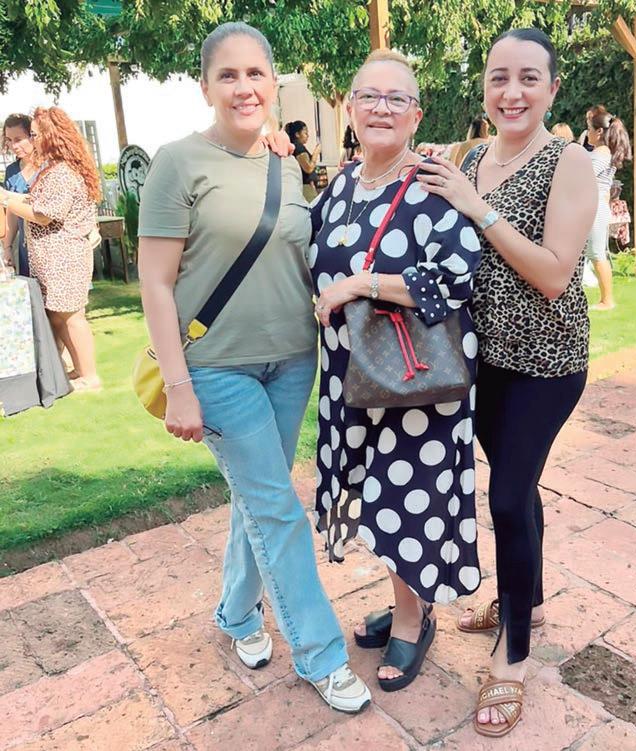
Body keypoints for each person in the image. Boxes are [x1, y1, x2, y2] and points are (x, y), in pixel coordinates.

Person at [137, 22, 370, 714]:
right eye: (228, 75)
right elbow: (155, 283)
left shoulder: (284, 163)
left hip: (294, 359)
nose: (244, 87)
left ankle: (238, 613)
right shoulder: (178, 162)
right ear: (205, 86)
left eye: (256, 74)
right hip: (216, 367)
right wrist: (178, 386)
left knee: (256, 498)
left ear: (274, 82)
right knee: (277, 507)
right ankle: (322, 654)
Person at [416, 28, 596, 736]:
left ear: (552, 89)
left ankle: (513, 655)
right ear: (484, 86)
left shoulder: (568, 161)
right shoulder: (470, 158)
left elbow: (554, 274)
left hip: (547, 363)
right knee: (520, 486)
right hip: (479, 359)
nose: (511, 92)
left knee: (507, 495)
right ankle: (530, 599)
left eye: (528, 78)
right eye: (498, 77)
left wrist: (477, 206)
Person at [310, 49, 482, 693]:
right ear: (350, 109)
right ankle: (409, 602)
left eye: (396, 98)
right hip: (350, 376)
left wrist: (362, 283)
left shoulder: (432, 186)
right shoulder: (339, 187)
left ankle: (413, 621)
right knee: (378, 495)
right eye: (369, 96)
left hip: (416, 381)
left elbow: (457, 280)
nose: (381, 108)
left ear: (416, 115)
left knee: (402, 499)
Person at [0, 106, 101, 391]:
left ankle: (90, 376)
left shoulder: (62, 173)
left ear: (51, 135)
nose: (32, 140)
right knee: (58, 316)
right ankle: (77, 370)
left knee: (72, 317)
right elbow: (35, 204)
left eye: (34, 135)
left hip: (65, 258)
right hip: (52, 261)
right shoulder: (53, 170)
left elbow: (43, 214)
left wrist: (6, 199)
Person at [585, 107, 632, 310]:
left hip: (594, 210)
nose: (587, 133)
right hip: (596, 208)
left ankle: (607, 300)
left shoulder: (602, 153)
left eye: (589, 129)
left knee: (597, 255)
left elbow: (583, 176)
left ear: (599, 132)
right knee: (592, 254)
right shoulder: (603, 153)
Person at [2, 114, 38, 276]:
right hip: (25, 247)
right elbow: (11, 212)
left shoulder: (48, 168)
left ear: (32, 136)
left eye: (18, 139)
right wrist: (7, 247)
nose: (13, 146)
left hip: (50, 245)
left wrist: (5, 196)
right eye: (9, 140)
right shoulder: (11, 171)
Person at [285, 120, 321, 201]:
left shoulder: (296, 146)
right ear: (297, 134)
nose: (308, 136)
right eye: (305, 133)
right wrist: (316, 152)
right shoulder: (298, 147)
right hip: (305, 188)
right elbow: (308, 168)